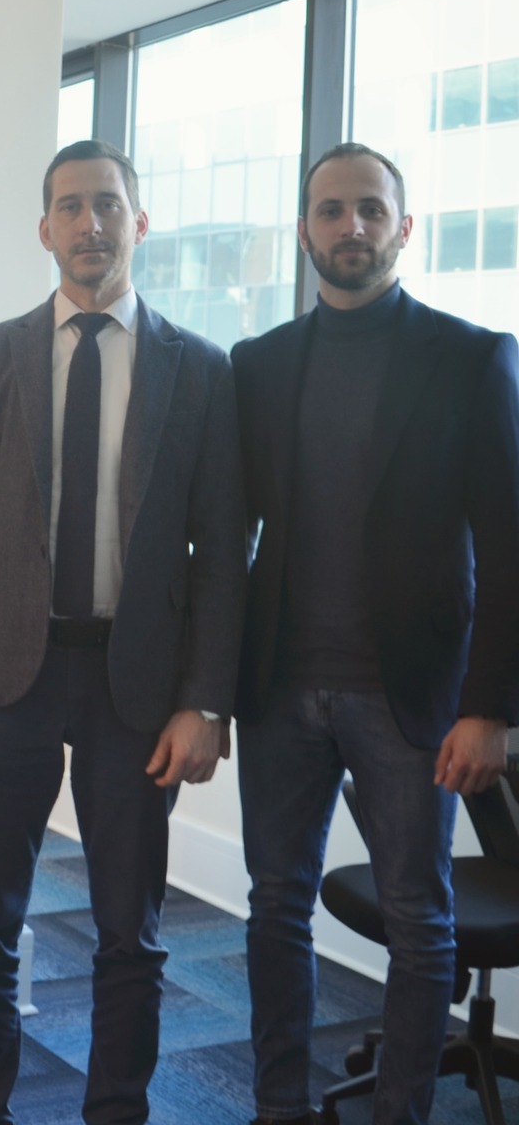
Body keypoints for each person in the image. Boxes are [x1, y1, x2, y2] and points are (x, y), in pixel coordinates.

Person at [0, 139, 245, 1125]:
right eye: (70, 206)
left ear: (140, 222)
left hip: (136, 689)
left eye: (107, 204)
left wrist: (206, 701)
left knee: (130, 932)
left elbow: (224, 554)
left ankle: (118, 1110)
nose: (89, 223)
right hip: (2, 678)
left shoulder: (201, 369)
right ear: (44, 229)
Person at [232, 142, 519, 1125]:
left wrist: (489, 711)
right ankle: (278, 1106)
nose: (349, 226)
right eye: (330, 210)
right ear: (304, 231)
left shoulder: (472, 358)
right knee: (275, 906)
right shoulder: (259, 365)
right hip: (278, 691)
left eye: (369, 209)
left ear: (405, 227)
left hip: (410, 699)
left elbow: (509, 549)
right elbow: (231, 536)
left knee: (418, 921)